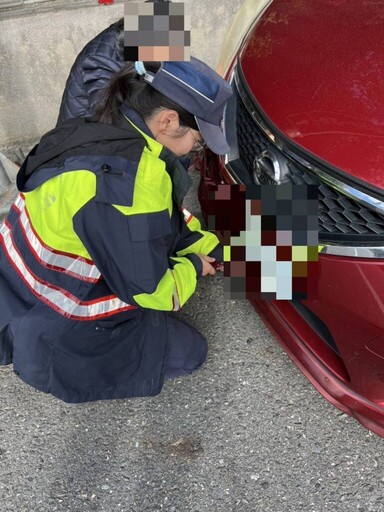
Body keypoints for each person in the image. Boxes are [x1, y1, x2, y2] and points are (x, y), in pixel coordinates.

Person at [0, 58, 232, 403]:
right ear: (168, 121)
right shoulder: (131, 182)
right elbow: (153, 292)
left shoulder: (103, 125)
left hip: (15, 286)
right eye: (198, 142)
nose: (196, 151)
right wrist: (195, 267)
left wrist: (207, 244)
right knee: (192, 353)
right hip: (60, 319)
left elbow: (159, 218)